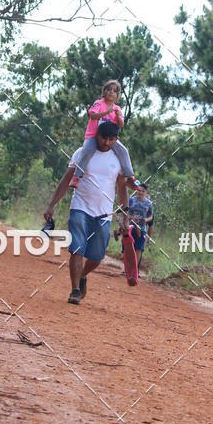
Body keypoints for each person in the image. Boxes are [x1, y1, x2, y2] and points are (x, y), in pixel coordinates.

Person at [44, 121, 130, 305]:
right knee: (77, 248)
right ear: (96, 135)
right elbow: (66, 180)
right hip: (80, 206)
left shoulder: (118, 159)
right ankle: (75, 290)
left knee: (97, 256)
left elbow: (122, 189)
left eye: (111, 139)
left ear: (116, 139)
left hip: (104, 214)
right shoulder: (83, 152)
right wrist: (52, 205)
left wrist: (125, 216)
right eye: (103, 138)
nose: (106, 142)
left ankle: (82, 275)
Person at [70, 80, 138, 189]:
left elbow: (121, 124)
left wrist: (118, 116)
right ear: (104, 92)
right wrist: (107, 112)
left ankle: (130, 177)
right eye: (109, 90)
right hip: (94, 135)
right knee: (87, 150)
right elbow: (92, 116)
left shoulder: (118, 109)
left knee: (123, 151)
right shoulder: (99, 103)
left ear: (117, 95)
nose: (111, 92)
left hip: (109, 138)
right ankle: (76, 176)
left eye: (114, 91)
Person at [128, 183, 153, 267]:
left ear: (146, 192)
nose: (141, 192)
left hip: (142, 229)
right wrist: (131, 218)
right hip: (130, 228)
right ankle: (127, 269)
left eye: (143, 191)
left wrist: (146, 219)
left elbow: (151, 216)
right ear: (136, 190)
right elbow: (126, 214)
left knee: (139, 248)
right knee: (129, 248)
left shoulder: (149, 204)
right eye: (139, 190)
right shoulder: (131, 200)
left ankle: (134, 268)